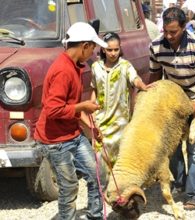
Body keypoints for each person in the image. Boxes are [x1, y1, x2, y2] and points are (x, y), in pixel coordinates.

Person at [149, 7, 195, 210]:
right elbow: (154, 77)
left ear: (184, 27)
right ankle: (181, 182)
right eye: (166, 30)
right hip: (173, 102)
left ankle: (194, 195)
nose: (169, 35)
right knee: (171, 149)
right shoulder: (156, 46)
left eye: (173, 31)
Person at [34, 22, 108, 220]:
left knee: (98, 173)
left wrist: (91, 128)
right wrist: (83, 107)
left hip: (72, 134)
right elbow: (53, 110)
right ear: (84, 46)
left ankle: (95, 215)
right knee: (69, 186)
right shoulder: (63, 70)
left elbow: (70, 105)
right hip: (55, 141)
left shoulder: (75, 66)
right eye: (93, 47)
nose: (93, 52)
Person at [90, 32, 149, 172]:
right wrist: (91, 113)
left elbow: (135, 79)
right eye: (109, 50)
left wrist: (142, 86)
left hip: (121, 123)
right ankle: (103, 193)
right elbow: (95, 90)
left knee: (120, 164)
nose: (113, 53)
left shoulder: (125, 66)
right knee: (101, 164)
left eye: (116, 49)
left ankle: (118, 193)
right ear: (103, 49)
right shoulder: (96, 67)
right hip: (101, 122)